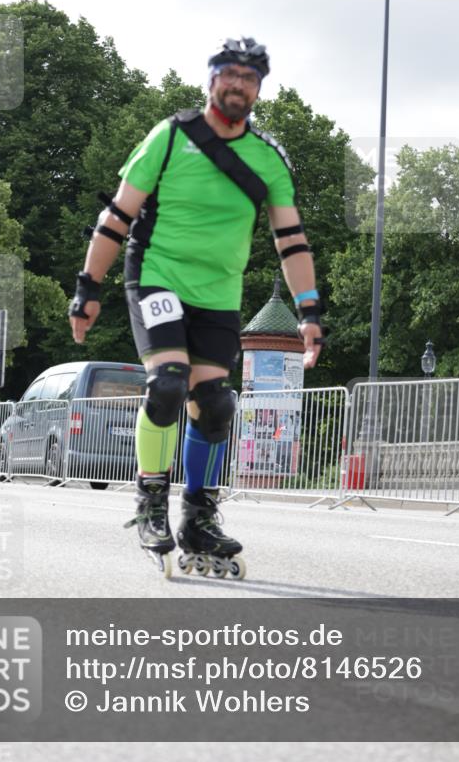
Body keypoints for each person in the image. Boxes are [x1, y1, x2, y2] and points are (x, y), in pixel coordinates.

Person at [68, 37, 323, 575]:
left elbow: (291, 240)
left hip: (218, 296)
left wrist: (309, 313)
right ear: (212, 80)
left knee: (216, 405)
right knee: (167, 385)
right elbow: (117, 216)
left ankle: (198, 517)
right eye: (229, 74)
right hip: (156, 277)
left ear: (258, 89)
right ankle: (151, 501)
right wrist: (88, 288)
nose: (238, 84)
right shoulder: (170, 137)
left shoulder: (268, 158)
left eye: (249, 78)